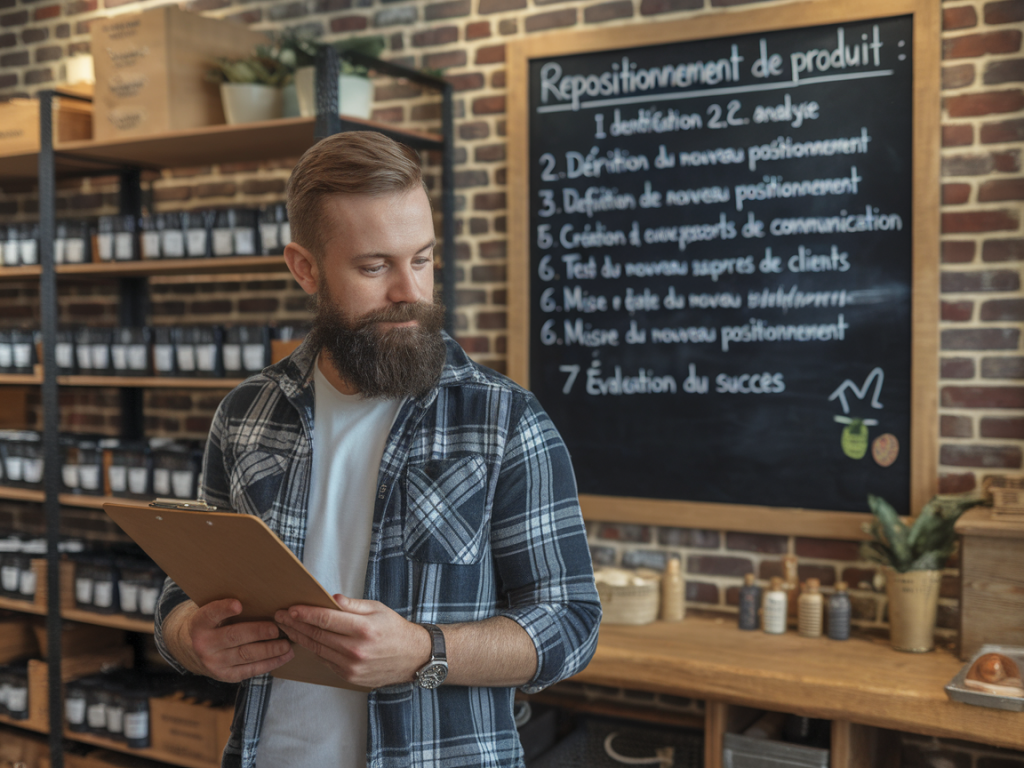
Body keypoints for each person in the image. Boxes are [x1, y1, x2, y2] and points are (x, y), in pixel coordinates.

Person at [154, 130, 602, 768]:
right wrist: (188, 638)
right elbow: (185, 591)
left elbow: (572, 623)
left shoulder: (504, 420)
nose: (409, 292)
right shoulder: (246, 414)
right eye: (374, 267)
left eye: (422, 259)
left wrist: (423, 651)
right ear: (305, 268)